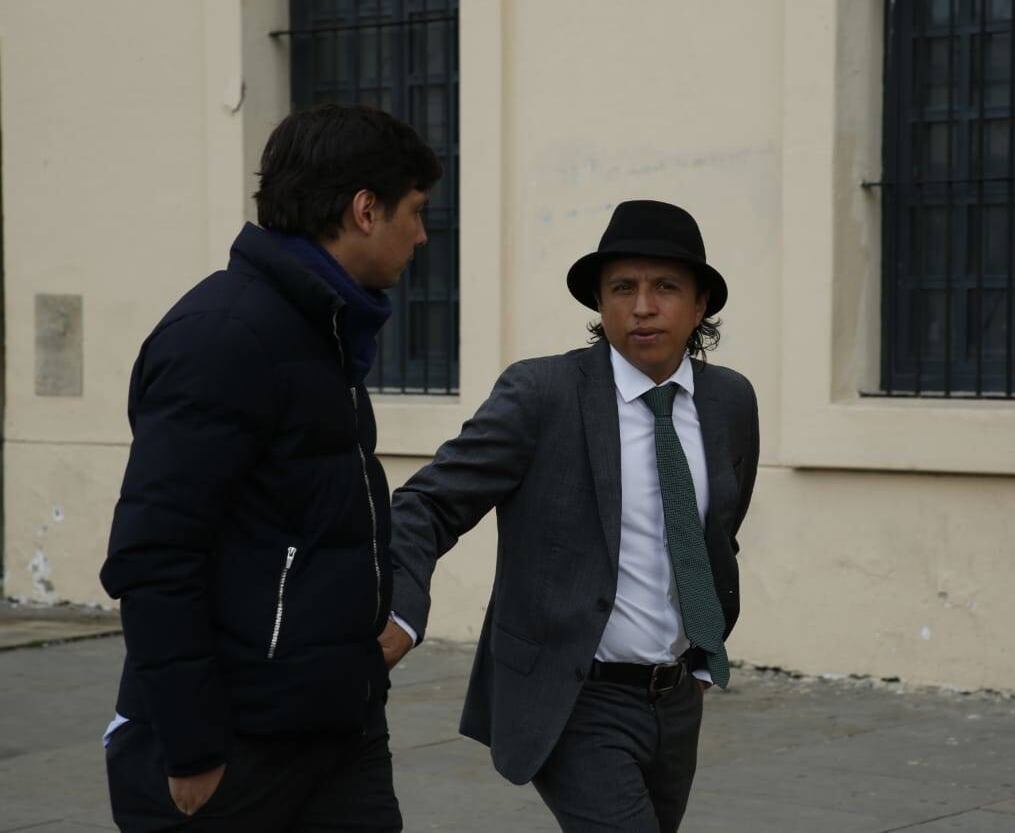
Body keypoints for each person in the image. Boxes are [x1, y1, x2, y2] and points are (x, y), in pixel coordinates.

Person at [99, 104, 441, 830]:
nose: (421, 234)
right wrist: (193, 749)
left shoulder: (325, 326)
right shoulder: (225, 335)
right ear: (364, 209)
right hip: (237, 754)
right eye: (414, 211)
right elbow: (156, 553)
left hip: (337, 731)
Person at [379, 199, 760, 831]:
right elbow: (428, 503)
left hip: (675, 699)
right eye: (622, 288)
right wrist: (400, 605)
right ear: (599, 304)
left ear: (699, 307)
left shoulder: (729, 401)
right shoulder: (542, 395)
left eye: (665, 287)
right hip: (574, 693)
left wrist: (700, 652)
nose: (642, 306)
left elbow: (718, 529)